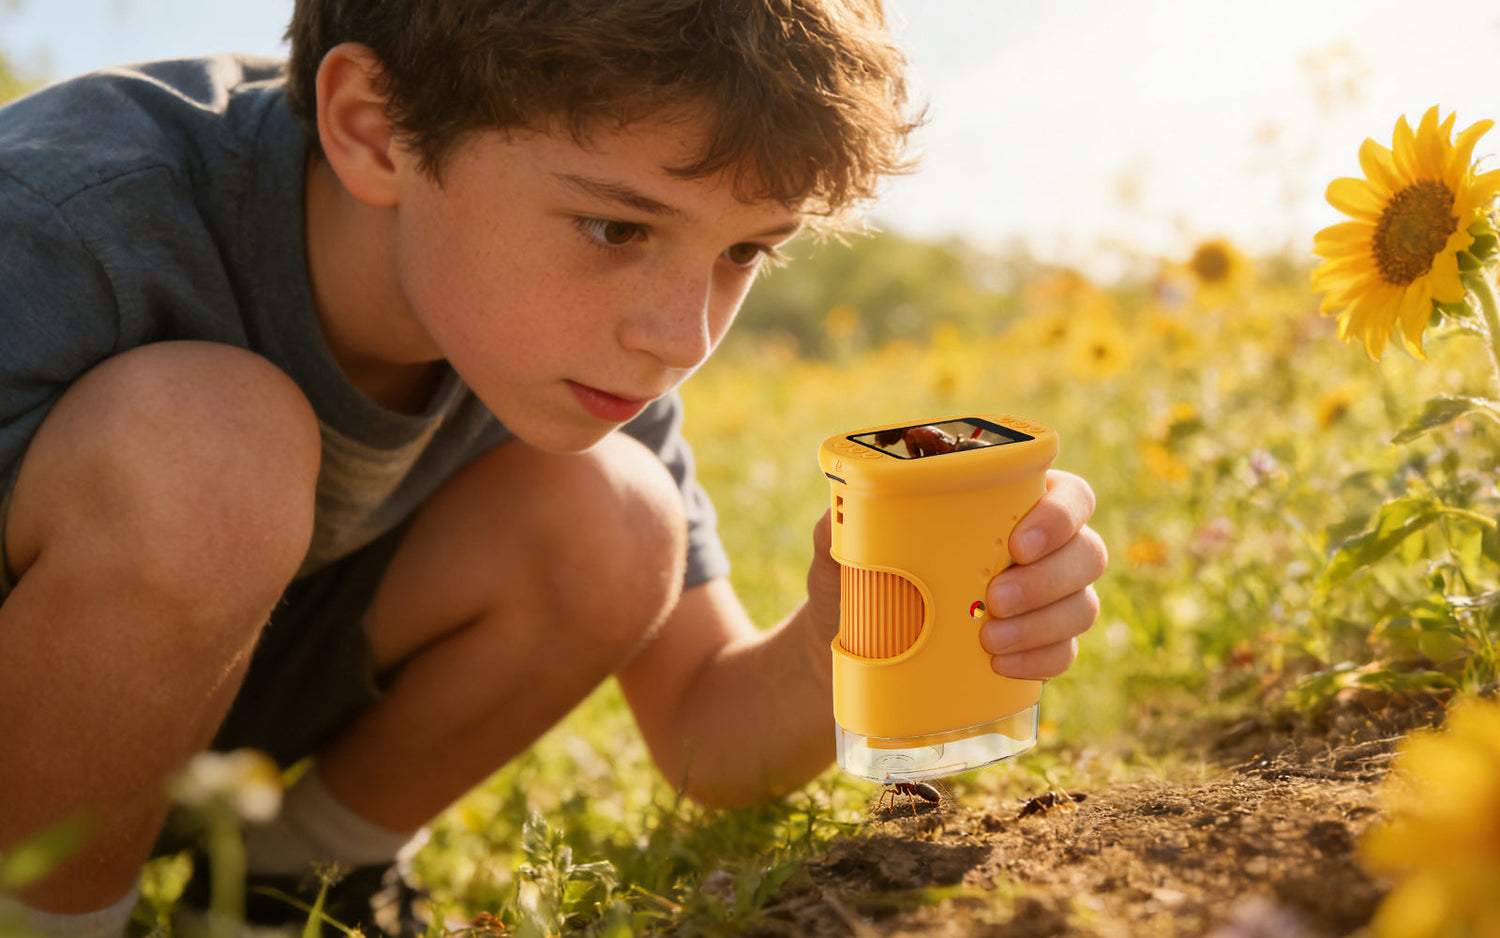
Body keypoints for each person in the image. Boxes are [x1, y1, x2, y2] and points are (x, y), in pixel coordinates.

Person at [0, 1, 1108, 935]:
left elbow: (708, 735)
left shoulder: (558, 355)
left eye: (744, 251)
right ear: (374, 129)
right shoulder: (60, 225)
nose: (682, 335)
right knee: (212, 447)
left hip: (199, 749)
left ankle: (299, 886)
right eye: (617, 229)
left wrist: (840, 632)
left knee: (619, 517)